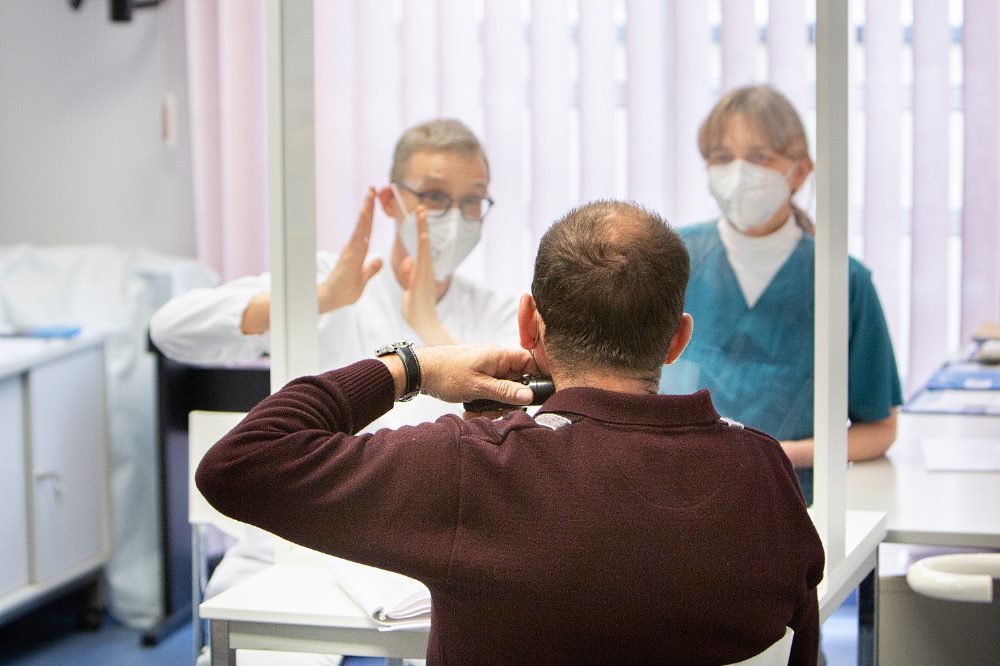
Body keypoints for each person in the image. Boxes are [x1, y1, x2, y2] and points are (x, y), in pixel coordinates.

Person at [197, 200, 826, 664]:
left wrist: (411, 367)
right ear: (677, 339)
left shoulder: (472, 469)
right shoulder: (764, 473)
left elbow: (241, 464)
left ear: (528, 326)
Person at [660, 85, 903, 504]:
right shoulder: (668, 263)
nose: (739, 174)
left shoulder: (842, 281)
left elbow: (879, 429)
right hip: (677, 494)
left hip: (794, 501)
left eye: (759, 157)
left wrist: (780, 455)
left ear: (800, 172)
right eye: (722, 157)